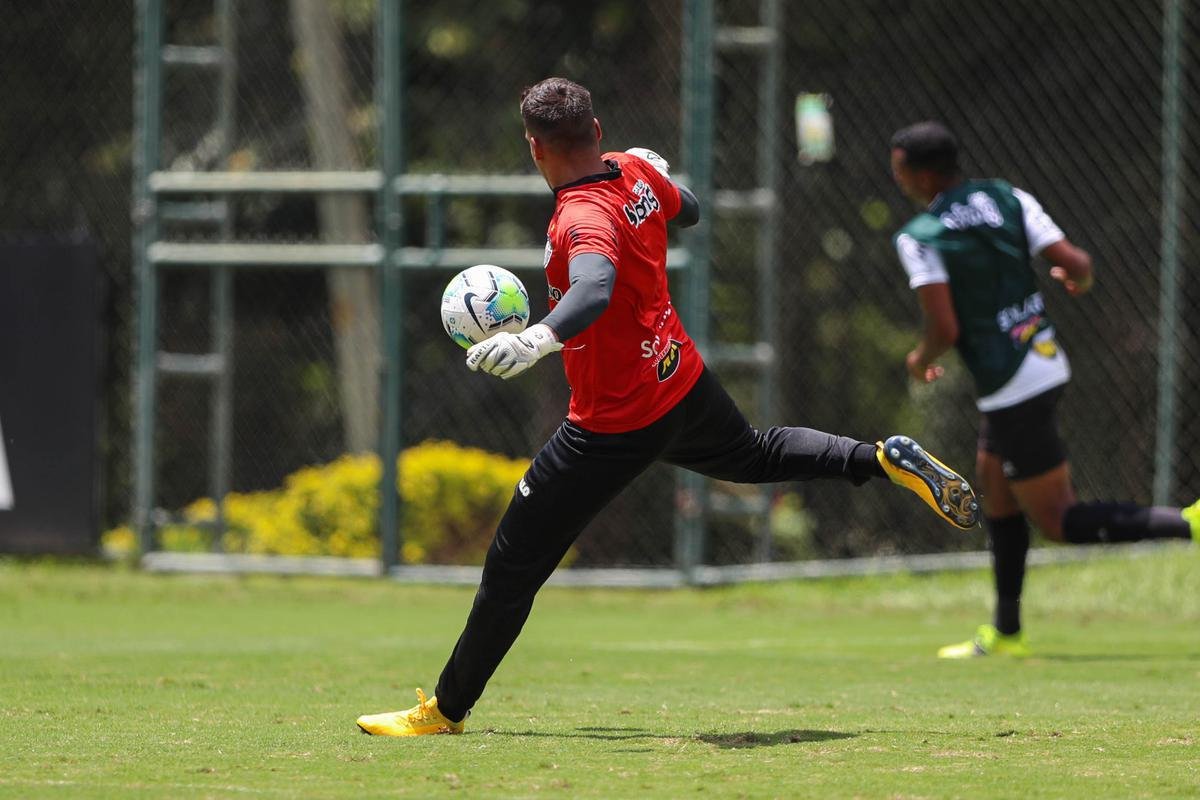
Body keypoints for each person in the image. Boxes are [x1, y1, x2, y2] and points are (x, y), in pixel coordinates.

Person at [354, 80, 980, 737]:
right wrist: (655, 175)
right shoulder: (632, 169)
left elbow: (593, 290)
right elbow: (691, 210)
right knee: (755, 453)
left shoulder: (580, 217)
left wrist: (535, 339)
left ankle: (444, 712)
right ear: (595, 131)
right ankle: (880, 458)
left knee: (511, 566)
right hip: (678, 378)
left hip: (612, 420)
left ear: (534, 148)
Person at [888, 121, 1200, 660]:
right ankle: (1007, 632)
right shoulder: (1007, 196)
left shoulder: (921, 235)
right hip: (1043, 361)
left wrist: (918, 362)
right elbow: (1076, 265)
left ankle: (1188, 524)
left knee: (1058, 521)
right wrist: (1077, 281)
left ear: (916, 174)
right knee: (995, 486)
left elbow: (944, 330)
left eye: (897, 168)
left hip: (1011, 387)